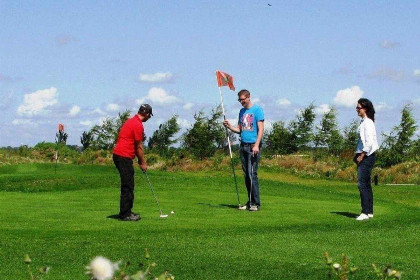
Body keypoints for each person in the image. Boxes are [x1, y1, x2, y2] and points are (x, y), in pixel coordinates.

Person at [223, 89, 264, 211]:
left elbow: (261, 129)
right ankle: (250, 201)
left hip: (253, 146)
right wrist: (229, 126)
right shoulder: (241, 112)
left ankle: (255, 203)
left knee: (252, 174)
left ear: (248, 97)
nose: (241, 102)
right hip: (243, 145)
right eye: (239, 100)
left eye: (242, 99)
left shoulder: (257, 110)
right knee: (246, 175)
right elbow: (240, 129)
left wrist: (257, 144)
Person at [113, 104, 153, 221]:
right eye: (149, 115)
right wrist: (142, 163)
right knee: (128, 185)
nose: (149, 117)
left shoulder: (131, 121)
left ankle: (127, 211)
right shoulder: (137, 125)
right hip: (123, 156)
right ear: (146, 113)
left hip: (120, 155)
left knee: (128, 184)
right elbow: (139, 147)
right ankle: (125, 214)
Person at [354, 98, 379, 221]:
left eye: (359, 108)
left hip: (367, 156)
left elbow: (369, 142)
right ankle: (369, 211)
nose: (357, 110)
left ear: (365, 109)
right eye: (357, 107)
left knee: (362, 184)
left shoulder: (367, 123)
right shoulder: (364, 122)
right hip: (364, 154)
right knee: (366, 184)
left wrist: (362, 155)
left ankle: (364, 212)